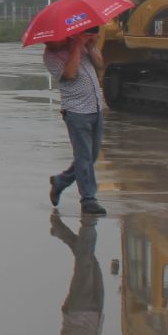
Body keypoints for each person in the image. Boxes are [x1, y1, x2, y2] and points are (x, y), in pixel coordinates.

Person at [39, 212, 107, 335]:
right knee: (90, 261)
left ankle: (88, 222)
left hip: (78, 309)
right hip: (96, 315)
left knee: (85, 260)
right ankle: (61, 232)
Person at [44, 28, 108, 216]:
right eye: (47, 40)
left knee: (91, 156)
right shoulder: (50, 57)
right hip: (77, 112)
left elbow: (100, 65)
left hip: (95, 107)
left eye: (54, 38)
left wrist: (91, 46)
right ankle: (88, 199)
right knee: (84, 157)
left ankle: (60, 181)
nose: (49, 42)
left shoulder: (78, 44)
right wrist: (78, 46)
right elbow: (70, 74)